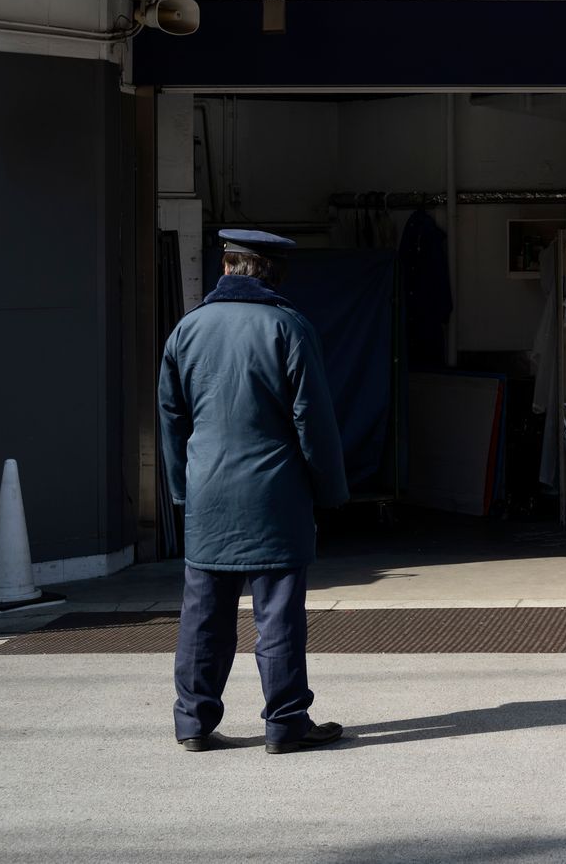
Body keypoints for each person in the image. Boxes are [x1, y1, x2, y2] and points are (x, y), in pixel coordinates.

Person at [159, 229, 349, 753]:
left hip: (208, 494)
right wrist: (330, 489)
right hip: (275, 494)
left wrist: (182, 488)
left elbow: (171, 420)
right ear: (272, 272)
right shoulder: (288, 327)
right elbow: (313, 418)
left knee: (203, 615)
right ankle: (285, 723)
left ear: (226, 266)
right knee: (278, 615)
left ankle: (194, 723)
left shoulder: (187, 330)